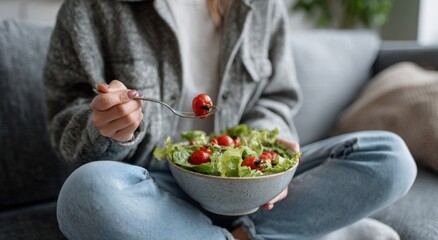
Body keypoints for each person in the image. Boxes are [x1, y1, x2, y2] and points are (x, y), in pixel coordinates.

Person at [43, 0, 417, 239]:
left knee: (391, 158)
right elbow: (66, 114)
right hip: (155, 189)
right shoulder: (95, 8)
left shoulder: (262, 7)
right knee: (86, 194)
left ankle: (230, 232)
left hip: (251, 186)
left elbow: (275, 97)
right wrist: (107, 127)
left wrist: (266, 149)